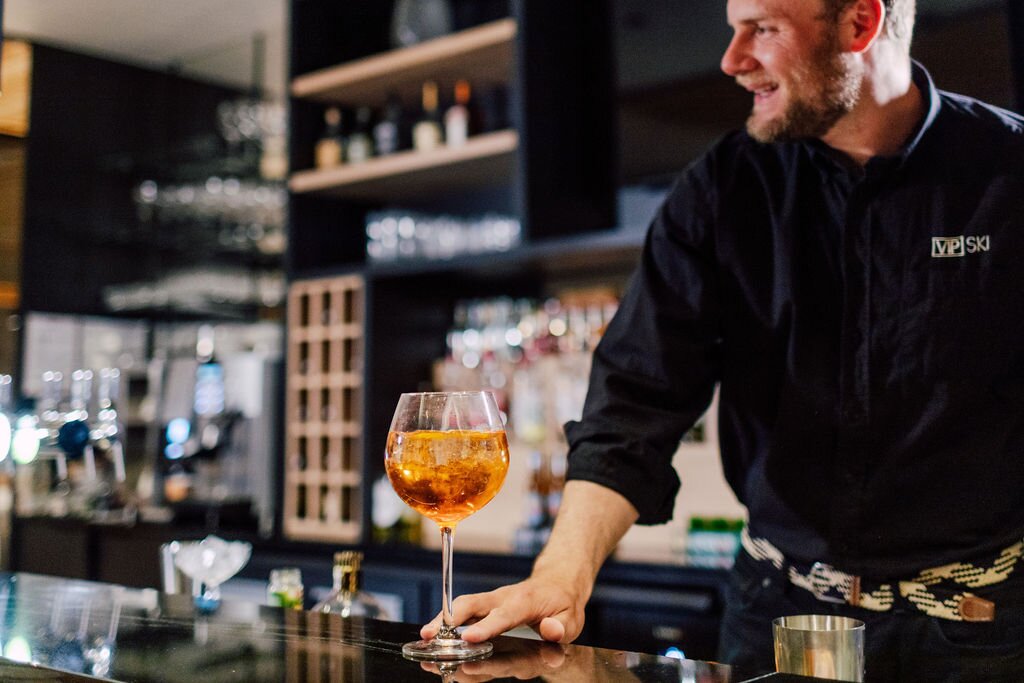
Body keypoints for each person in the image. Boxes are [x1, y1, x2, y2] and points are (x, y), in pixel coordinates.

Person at [423, 0, 1024, 679]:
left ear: (859, 24)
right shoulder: (720, 189)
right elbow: (633, 402)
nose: (732, 60)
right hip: (781, 611)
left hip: (981, 628)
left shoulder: (1007, 168)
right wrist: (562, 574)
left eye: (762, 29)